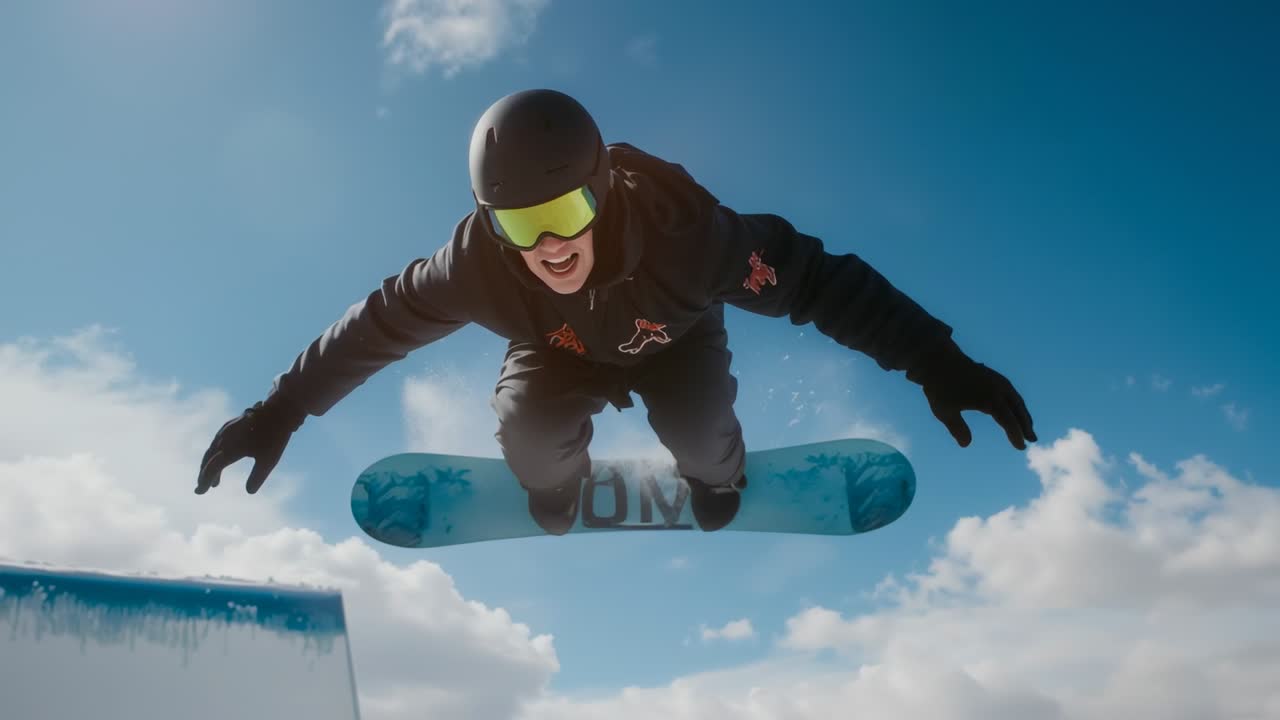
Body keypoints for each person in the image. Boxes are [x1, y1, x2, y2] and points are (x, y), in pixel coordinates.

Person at [196, 88, 1037, 535]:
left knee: (702, 429)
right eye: (520, 225)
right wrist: (280, 411)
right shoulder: (477, 267)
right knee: (527, 424)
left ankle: (719, 477)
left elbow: (819, 282)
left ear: (601, 192)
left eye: (564, 215)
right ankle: (550, 487)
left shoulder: (691, 239)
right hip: (557, 350)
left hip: (676, 338)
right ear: (491, 220)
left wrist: (935, 358)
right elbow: (378, 326)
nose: (548, 246)